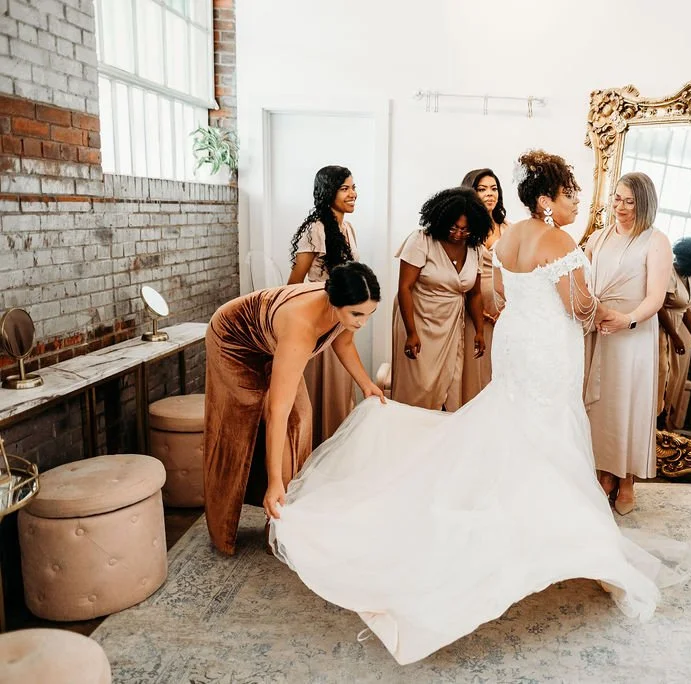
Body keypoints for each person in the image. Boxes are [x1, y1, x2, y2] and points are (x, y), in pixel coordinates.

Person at [269, 150, 691, 666]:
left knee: (514, 420)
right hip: (546, 349)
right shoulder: (559, 241)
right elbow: (577, 308)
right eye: (570, 193)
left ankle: (530, 509)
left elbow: (497, 291)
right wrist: (605, 311)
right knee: (548, 426)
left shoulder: (506, 236)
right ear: (546, 201)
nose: (578, 201)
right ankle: (548, 529)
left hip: (516, 342)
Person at [203, 262, 384, 555]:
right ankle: (227, 526)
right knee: (240, 425)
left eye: (369, 314)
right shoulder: (302, 327)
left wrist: (366, 384)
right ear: (334, 303)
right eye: (357, 314)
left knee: (301, 419)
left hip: (273, 338)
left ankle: (280, 517)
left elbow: (345, 342)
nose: (362, 322)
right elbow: (278, 410)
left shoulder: (343, 310)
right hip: (234, 341)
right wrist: (274, 480)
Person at [584, 172, 673, 515]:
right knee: (602, 406)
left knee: (627, 404)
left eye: (629, 201)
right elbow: (585, 282)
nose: (619, 207)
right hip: (599, 329)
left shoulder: (656, 241)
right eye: (616, 199)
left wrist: (628, 319)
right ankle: (603, 474)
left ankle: (626, 481)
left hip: (633, 333)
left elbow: (656, 297)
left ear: (644, 203)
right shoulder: (597, 238)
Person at [391, 187, 489, 410]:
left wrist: (480, 331)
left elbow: (474, 294)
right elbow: (404, 288)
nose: (458, 234)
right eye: (454, 227)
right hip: (418, 321)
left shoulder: (475, 248)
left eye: (465, 229)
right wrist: (411, 332)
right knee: (419, 389)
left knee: (450, 386)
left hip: (452, 324)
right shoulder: (421, 240)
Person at [287, 165, 361, 445]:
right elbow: (294, 283)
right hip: (318, 319)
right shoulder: (315, 228)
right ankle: (315, 448)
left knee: (340, 390)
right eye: (345, 188)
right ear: (328, 192)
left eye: (353, 187)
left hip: (341, 318)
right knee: (322, 389)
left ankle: (336, 449)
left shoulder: (348, 228)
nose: (353, 193)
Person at [461, 168, 511, 402]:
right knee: (476, 368)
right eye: (482, 189)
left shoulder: (509, 229)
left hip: (505, 310)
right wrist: (479, 312)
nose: (490, 194)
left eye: (494, 189)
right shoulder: (463, 230)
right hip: (474, 308)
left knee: (500, 367)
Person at [659, 237, 691, 430]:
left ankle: (663, 418)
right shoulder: (668, 272)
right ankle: (656, 418)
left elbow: (686, 308)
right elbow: (659, 307)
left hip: (676, 327)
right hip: (661, 329)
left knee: (673, 376)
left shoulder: (688, 277)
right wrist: (675, 336)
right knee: (662, 373)